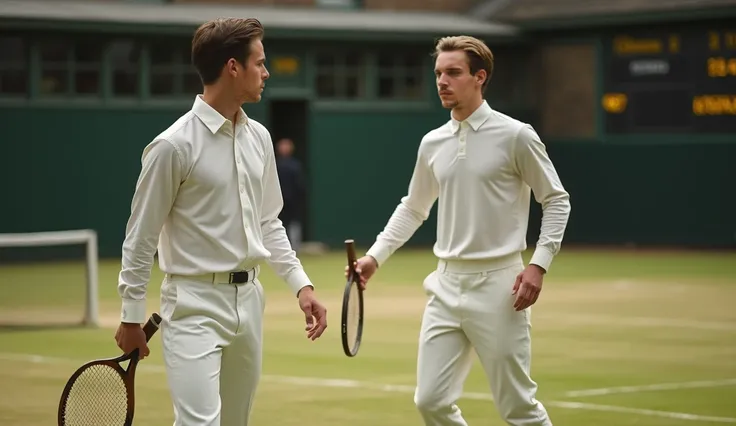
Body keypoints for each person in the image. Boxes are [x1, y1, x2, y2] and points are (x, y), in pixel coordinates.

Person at [114, 17, 328, 426]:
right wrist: (129, 315)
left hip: (250, 303)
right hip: (192, 305)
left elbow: (269, 222)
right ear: (233, 67)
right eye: (260, 63)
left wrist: (302, 285)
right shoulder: (172, 146)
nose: (266, 72)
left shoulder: (260, 138)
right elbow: (140, 237)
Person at [349, 35, 570, 426]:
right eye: (438, 73)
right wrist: (374, 258)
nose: (442, 81)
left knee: (518, 408)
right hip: (445, 287)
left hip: (502, 288)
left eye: (453, 72)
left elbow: (556, 200)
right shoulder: (432, 142)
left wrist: (538, 265)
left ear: (479, 77)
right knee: (430, 402)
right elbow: (413, 208)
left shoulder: (517, 135)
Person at [275, 137, 305, 252]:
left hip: (293, 201)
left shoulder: (296, 165)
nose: (284, 149)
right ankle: (281, 249)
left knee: (294, 224)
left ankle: (294, 248)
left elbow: (300, 185)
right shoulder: (275, 164)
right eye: (283, 146)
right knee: (278, 224)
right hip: (277, 201)